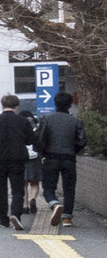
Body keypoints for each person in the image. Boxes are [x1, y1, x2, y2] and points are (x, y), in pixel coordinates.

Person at [0, 94, 36, 229]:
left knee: (1, 189)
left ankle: (2, 219)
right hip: (17, 159)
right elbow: (30, 140)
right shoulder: (23, 121)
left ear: (2, 105)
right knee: (17, 189)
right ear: (17, 106)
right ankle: (16, 215)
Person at [36, 91, 88, 228]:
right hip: (69, 158)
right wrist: (73, 150)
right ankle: (67, 218)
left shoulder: (46, 119)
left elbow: (39, 138)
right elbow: (82, 140)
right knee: (69, 188)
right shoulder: (76, 121)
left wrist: (43, 152)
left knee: (48, 187)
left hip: (50, 157)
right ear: (70, 105)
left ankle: (54, 204)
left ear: (55, 103)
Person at [18, 106, 42, 215]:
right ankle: (33, 199)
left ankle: (25, 206)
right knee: (34, 182)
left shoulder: (18, 127)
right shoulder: (37, 127)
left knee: (23, 183)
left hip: (22, 157)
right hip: (35, 157)